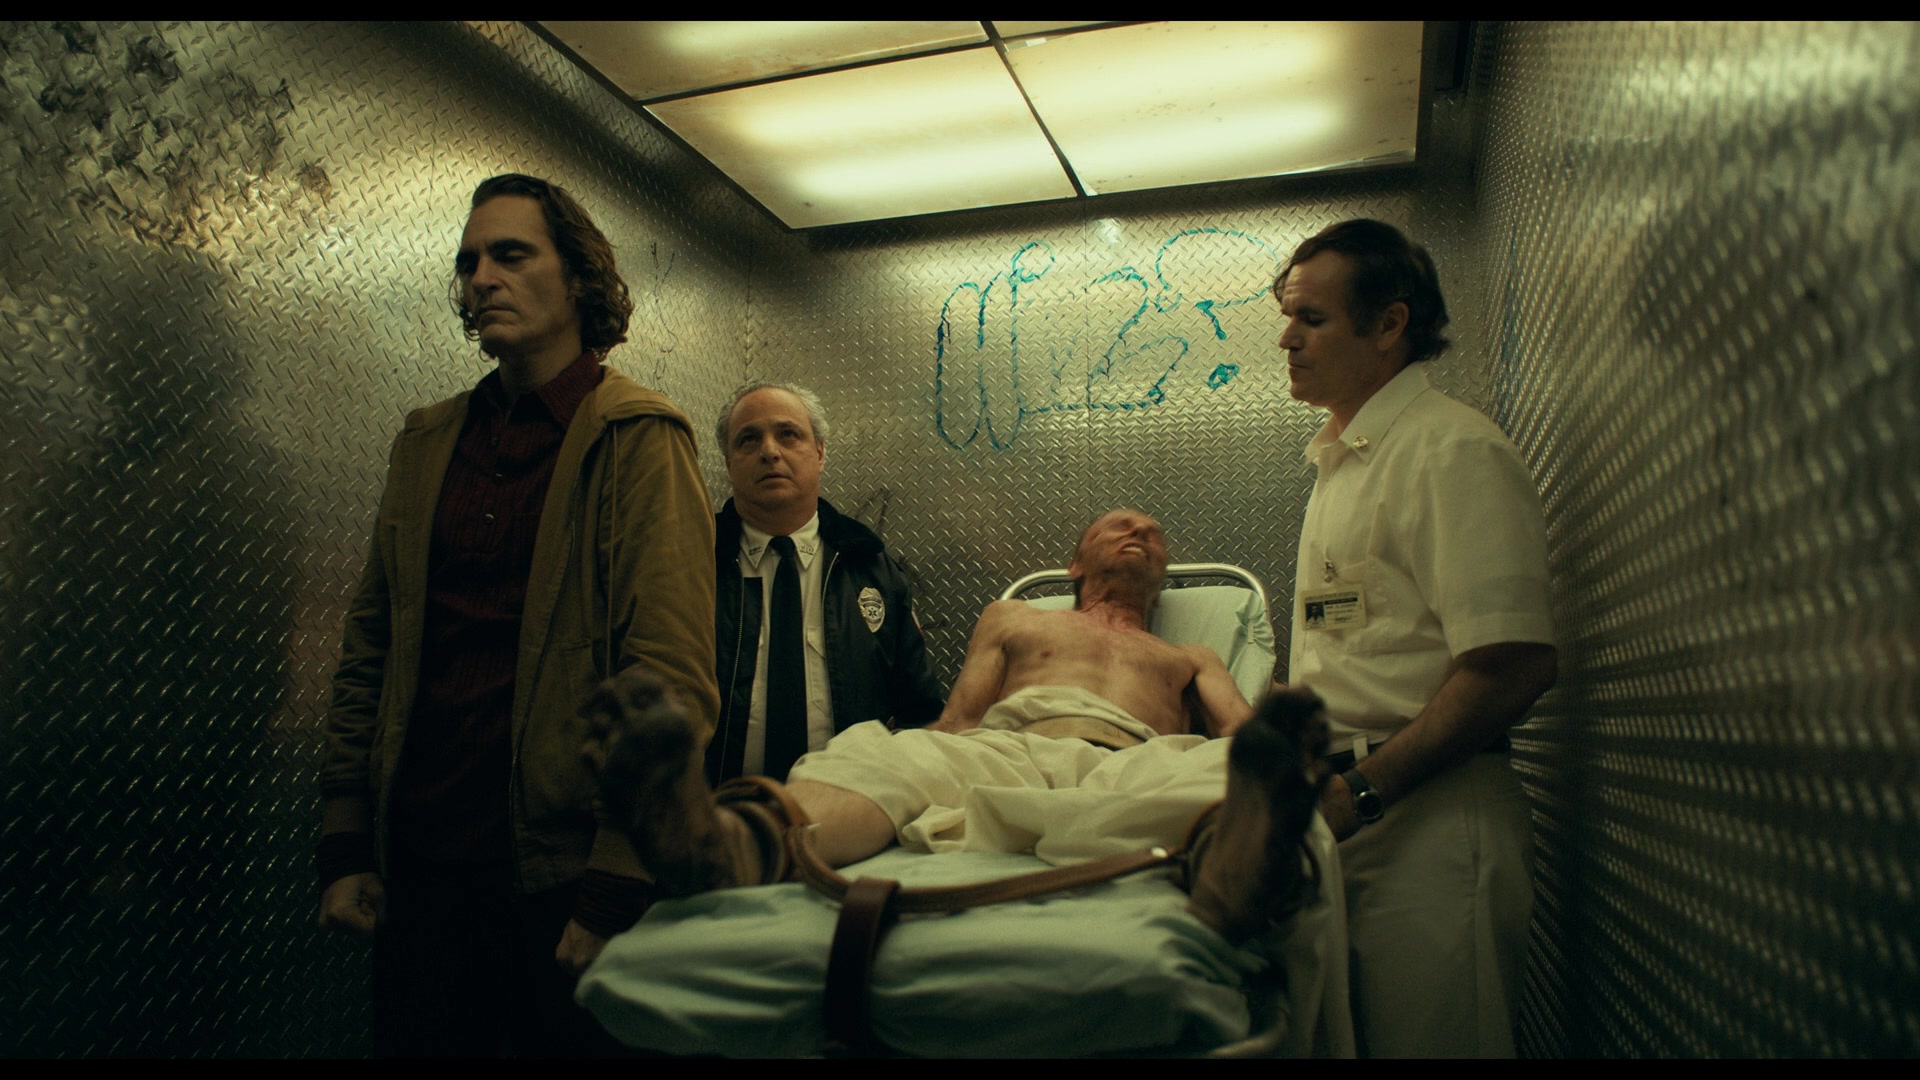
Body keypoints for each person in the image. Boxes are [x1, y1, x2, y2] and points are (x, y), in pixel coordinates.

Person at [314, 173, 719, 1057]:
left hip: (558, 876)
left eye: (510, 255)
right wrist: (345, 839)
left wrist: (614, 884)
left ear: (577, 277)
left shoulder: (638, 437)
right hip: (419, 866)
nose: (482, 279)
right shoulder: (428, 440)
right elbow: (372, 644)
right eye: (469, 263)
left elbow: (671, 676)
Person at [583, 508, 1330, 947]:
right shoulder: (1014, 617)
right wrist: (921, 758)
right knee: (886, 758)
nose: (1139, 531)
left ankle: (1233, 877)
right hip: (1009, 745)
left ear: (1164, 575)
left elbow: (1243, 736)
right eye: (1117, 527)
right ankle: (721, 847)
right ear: (1075, 563)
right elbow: (960, 719)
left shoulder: (1191, 654)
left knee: (1217, 774)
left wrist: (1268, 750)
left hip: (1135, 761)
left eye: (1152, 533)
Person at [1272, 218, 1558, 1057]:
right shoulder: (1344, 461)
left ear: (1389, 324)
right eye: (1288, 318)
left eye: (1312, 319)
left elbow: (1512, 666)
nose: (1287, 339)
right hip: (1355, 815)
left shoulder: (1450, 451)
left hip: (1429, 823)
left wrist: (1364, 792)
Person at [708, 382, 945, 785]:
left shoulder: (872, 569)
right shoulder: (693, 564)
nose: (769, 451)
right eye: (748, 439)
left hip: (850, 806)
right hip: (715, 809)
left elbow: (921, 710)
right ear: (729, 464)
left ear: (819, 453)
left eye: (788, 434)